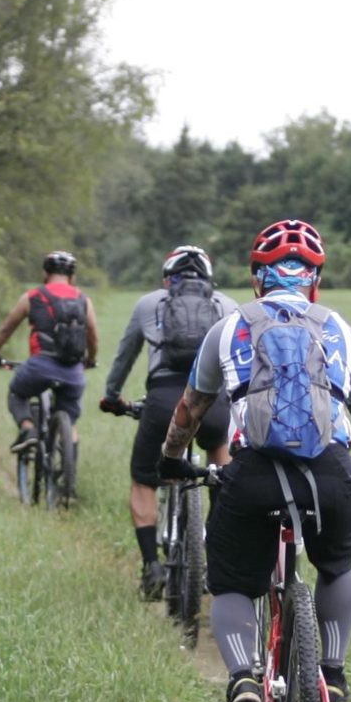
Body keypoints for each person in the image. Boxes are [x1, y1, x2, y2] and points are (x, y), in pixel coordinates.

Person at [161, 218, 351, 702]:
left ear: (256, 278)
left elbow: (190, 409)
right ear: (314, 278)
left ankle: (244, 678)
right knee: (336, 565)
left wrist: (172, 459)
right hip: (330, 474)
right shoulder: (339, 327)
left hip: (254, 475)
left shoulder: (228, 327)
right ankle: (330, 677)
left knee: (232, 583)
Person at [98, 245, 237, 597]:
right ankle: (215, 552)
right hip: (213, 404)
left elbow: (124, 357)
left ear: (167, 279)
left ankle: (152, 566)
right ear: (208, 279)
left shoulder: (149, 303)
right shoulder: (226, 305)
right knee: (224, 469)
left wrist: (112, 396)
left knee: (144, 479)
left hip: (162, 403)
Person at [0, 251, 99, 454]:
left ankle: (28, 429)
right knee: (70, 420)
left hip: (39, 367)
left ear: (45, 273)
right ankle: (68, 474)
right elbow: (93, 336)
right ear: (72, 277)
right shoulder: (84, 300)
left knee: (17, 393)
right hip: (73, 373)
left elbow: (6, 328)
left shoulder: (33, 297)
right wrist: (90, 360)